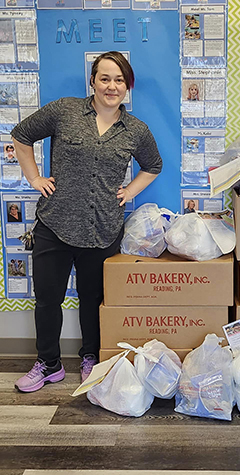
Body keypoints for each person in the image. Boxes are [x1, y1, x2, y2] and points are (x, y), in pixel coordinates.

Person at [12, 51, 163, 392]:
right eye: (105, 78)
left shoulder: (135, 130)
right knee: (48, 299)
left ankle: (90, 357)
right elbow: (21, 135)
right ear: (92, 81)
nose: (112, 86)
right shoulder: (64, 110)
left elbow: (153, 165)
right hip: (55, 225)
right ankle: (48, 363)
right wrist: (35, 178)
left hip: (103, 229)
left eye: (119, 80)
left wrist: (129, 191)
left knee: (92, 298)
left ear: (128, 87)